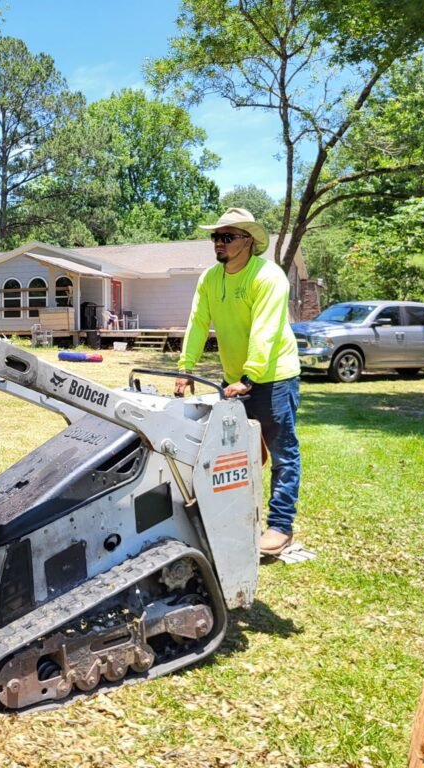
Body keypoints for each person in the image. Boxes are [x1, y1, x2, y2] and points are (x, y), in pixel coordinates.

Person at [173, 207, 302, 556]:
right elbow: (198, 322)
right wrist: (186, 367)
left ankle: (280, 526)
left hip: (274, 377)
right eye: (216, 237)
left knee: (282, 453)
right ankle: (238, 520)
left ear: (248, 241)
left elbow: (266, 328)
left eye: (227, 237)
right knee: (235, 452)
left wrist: (251, 376)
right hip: (236, 380)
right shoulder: (210, 279)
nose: (219, 243)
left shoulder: (269, 276)